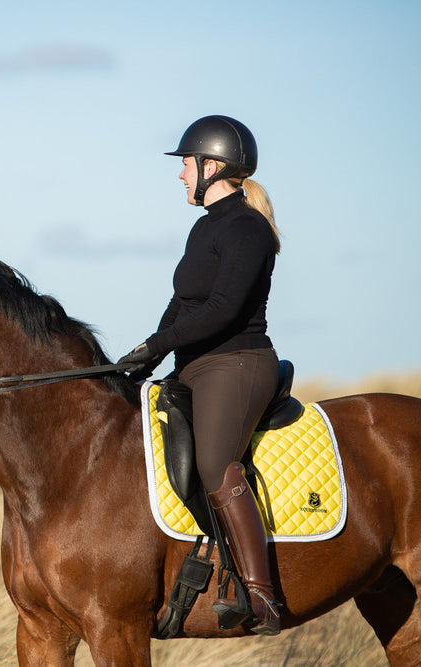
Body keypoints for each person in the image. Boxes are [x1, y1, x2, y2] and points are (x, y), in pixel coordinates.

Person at [119, 115, 283, 635]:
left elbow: (222, 309)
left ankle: (263, 598)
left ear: (212, 166)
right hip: (192, 366)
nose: (181, 175)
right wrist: (143, 356)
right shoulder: (204, 226)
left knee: (216, 464)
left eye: (186, 164)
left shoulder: (246, 228)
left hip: (237, 363)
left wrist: (162, 343)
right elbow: (183, 303)